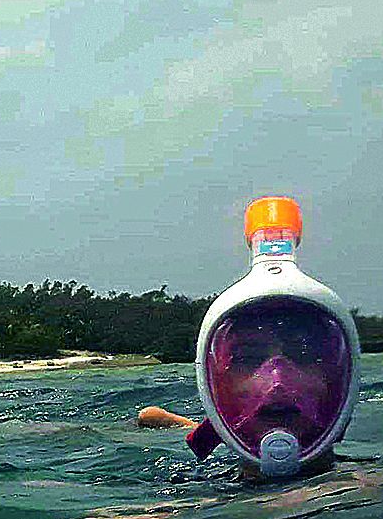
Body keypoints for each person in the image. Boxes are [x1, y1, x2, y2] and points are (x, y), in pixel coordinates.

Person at [139, 197, 358, 479]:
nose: (278, 380)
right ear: (215, 389)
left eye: (304, 354)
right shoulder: (177, 505)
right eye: (246, 358)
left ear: (342, 381)